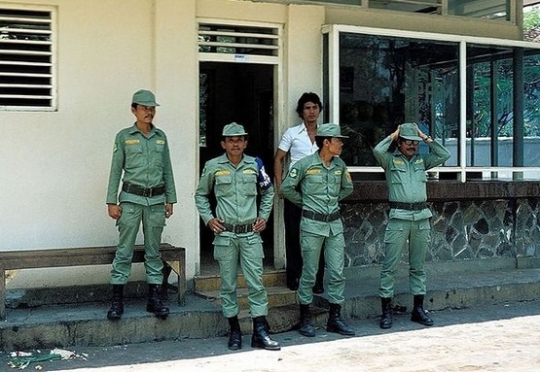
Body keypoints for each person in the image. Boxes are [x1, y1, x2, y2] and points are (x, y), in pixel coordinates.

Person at [194, 122, 280, 351]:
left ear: (245, 142)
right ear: (223, 143)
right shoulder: (213, 166)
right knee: (228, 285)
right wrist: (209, 219)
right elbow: (201, 195)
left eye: (240, 139)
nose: (235, 143)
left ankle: (260, 331)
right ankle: (234, 330)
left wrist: (264, 216)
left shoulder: (255, 164)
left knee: (256, 283)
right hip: (226, 235)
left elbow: (268, 191)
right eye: (231, 140)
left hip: (250, 235)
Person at [105, 89, 177, 321]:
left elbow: (167, 168)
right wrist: (111, 201)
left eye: (152, 108)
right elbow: (116, 169)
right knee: (124, 250)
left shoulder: (161, 137)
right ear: (133, 109)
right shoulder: (124, 136)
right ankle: (117, 300)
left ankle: (154, 299)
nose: (149, 112)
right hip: (131, 200)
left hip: (156, 201)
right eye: (144, 108)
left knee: (153, 252)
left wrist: (170, 199)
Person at [372, 122, 450, 329]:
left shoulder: (421, 161)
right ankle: (386, 311)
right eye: (407, 141)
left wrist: (425, 137)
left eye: (414, 143)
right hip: (399, 218)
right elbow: (377, 150)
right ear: (400, 142)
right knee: (390, 266)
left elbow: (444, 155)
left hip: (421, 217)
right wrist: (393, 134)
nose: (412, 146)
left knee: (418, 267)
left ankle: (418, 309)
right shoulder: (389, 160)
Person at [280, 123, 355, 338]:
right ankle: (305, 317)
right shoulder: (305, 164)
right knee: (310, 273)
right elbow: (286, 188)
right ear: (326, 142)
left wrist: (332, 201)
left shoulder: (340, 165)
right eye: (338, 141)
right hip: (312, 226)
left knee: (337, 272)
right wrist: (306, 203)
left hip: (334, 226)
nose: (341, 144)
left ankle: (335, 318)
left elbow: (347, 188)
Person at [274, 92, 326, 293]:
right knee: (294, 234)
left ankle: (317, 280)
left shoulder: (326, 134)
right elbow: (278, 159)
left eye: (314, 107)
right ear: (301, 112)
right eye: (307, 108)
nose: (311, 111)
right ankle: (294, 276)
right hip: (295, 190)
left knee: (318, 235)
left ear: (319, 110)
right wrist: (280, 186)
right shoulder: (292, 133)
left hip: (319, 192)